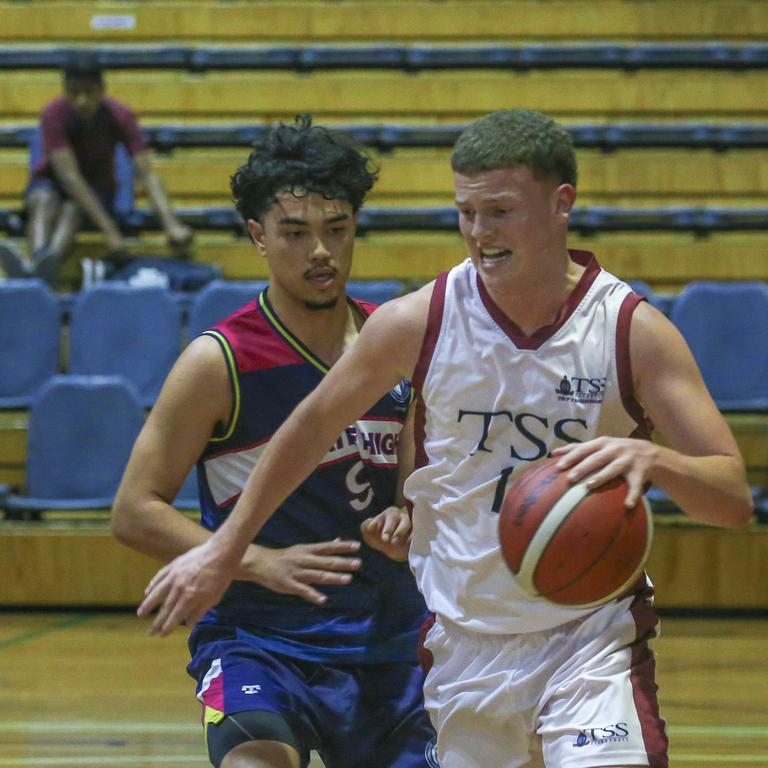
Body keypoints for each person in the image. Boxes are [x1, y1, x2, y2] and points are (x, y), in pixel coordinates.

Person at [137, 109, 754, 768]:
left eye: (500, 212)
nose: (479, 234)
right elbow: (309, 427)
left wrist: (653, 458)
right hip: (460, 645)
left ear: (560, 205)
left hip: (589, 636)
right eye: (466, 213)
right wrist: (227, 550)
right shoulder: (416, 322)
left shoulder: (631, 330)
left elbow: (733, 501)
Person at [111, 115, 437, 768]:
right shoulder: (219, 362)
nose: (320, 251)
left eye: (336, 230)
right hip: (259, 637)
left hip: (391, 640)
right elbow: (134, 510)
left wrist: (408, 521)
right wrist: (253, 560)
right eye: (295, 233)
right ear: (258, 235)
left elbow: (418, 494)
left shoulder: (396, 348)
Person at [0, 53, 192, 285]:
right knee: (43, 200)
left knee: (74, 209)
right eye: (74, 93)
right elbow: (70, 177)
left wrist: (171, 225)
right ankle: (38, 262)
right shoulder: (53, 114)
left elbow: (147, 173)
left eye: (89, 93)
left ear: (102, 91)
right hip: (51, 183)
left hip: (97, 189)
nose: (82, 100)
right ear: (64, 92)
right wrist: (111, 232)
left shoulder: (121, 116)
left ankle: (40, 273)